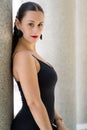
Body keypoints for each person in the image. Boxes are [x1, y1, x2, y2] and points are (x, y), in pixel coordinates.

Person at [11, 2, 68, 130]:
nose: (36, 30)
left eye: (40, 24)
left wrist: (58, 121)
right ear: (18, 24)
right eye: (30, 24)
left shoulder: (32, 53)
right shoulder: (23, 57)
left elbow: (44, 96)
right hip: (30, 126)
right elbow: (34, 103)